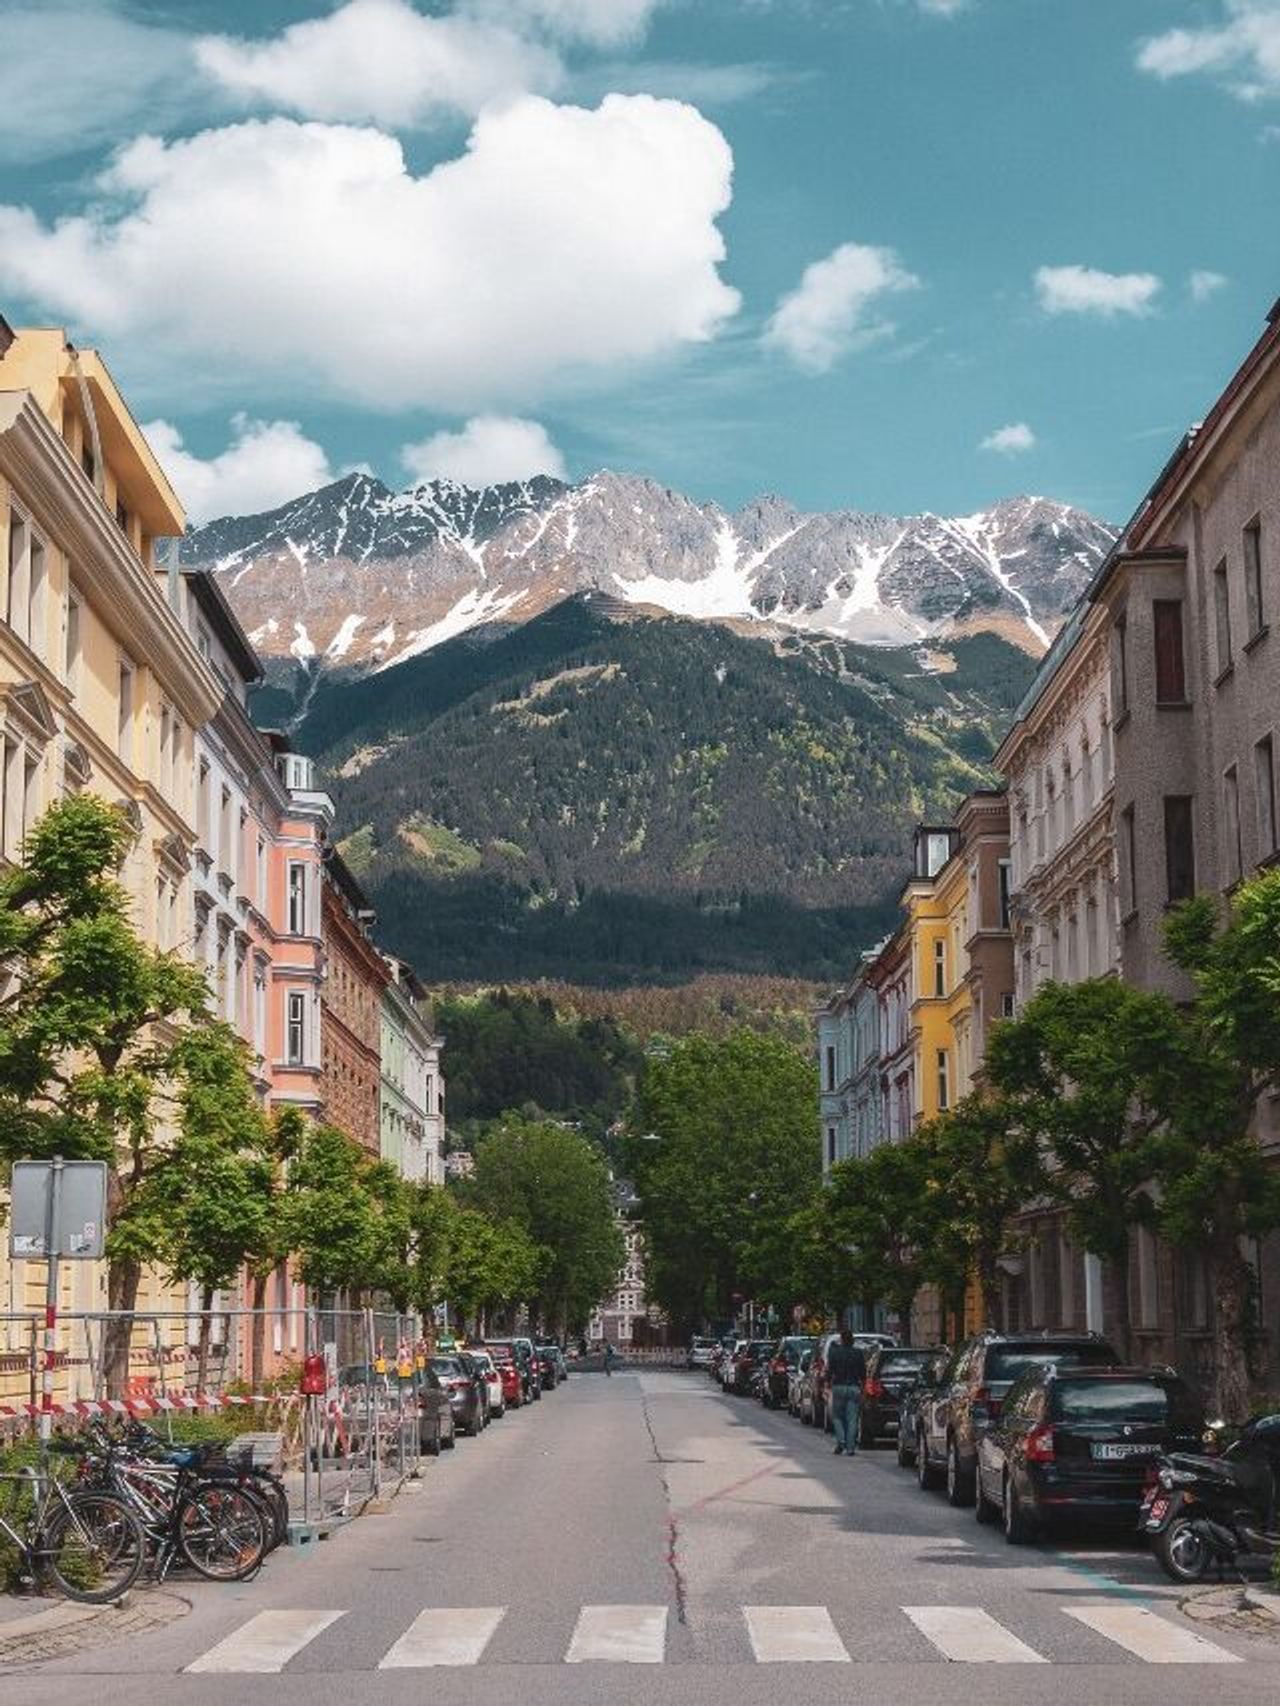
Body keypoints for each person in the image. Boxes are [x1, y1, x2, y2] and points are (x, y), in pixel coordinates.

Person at [826, 1329, 867, 1456]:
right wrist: (863, 1387)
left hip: (838, 1386)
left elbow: (830, 1370)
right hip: (854, 1387)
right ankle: (850, 1448)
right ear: (852, 1340)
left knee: (837, 1417)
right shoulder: (858, 1353)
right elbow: (863, 1373)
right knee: (852, 1419)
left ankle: (841, 1441)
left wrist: (827, 1383)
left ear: (842, 1340)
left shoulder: (835, 1353)